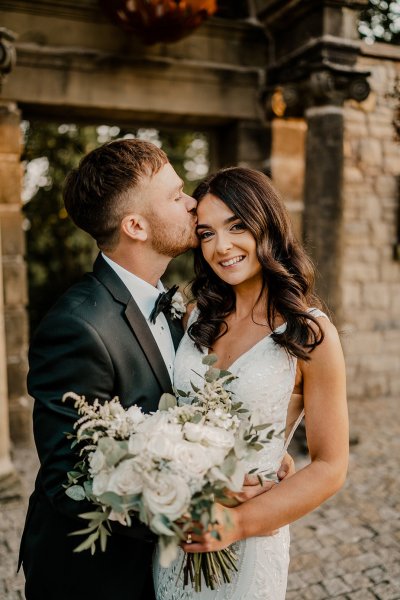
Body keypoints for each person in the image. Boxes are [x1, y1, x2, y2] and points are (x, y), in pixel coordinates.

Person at [18, 141, 293, 600]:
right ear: (135, 226)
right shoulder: (76, 326)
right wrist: (204, 497)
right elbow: (69, 481)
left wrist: (238, 455)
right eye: (175, 195)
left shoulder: (181, 306)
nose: (192, 203)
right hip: (102, 579)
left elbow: (184, 407)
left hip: (170, 570)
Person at [153, 167, 348, 599]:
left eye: (237, 226)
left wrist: (236, 523)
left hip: (251, 537)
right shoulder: (193, 318)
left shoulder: (310, 335)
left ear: (268, 224)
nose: (221, 247)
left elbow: (331, 465)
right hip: (179, 530)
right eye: (206, 233)